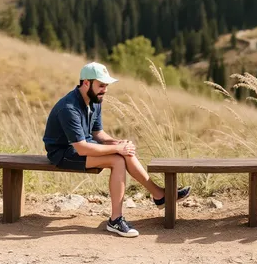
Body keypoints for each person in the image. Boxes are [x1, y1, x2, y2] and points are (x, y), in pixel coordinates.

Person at [42, 62, 191, 237]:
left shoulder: (95, 99)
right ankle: (116, 220)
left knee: (123, 152)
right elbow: (81, 148)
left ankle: (159, 196)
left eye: (106, 86)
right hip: (62, 153)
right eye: (101, 85)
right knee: (117, 159)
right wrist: (117, 149)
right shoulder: (69, 108)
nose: (105, 89)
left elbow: (97, 132)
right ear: (86, 83)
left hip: (82, 145)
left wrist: (116, 142)